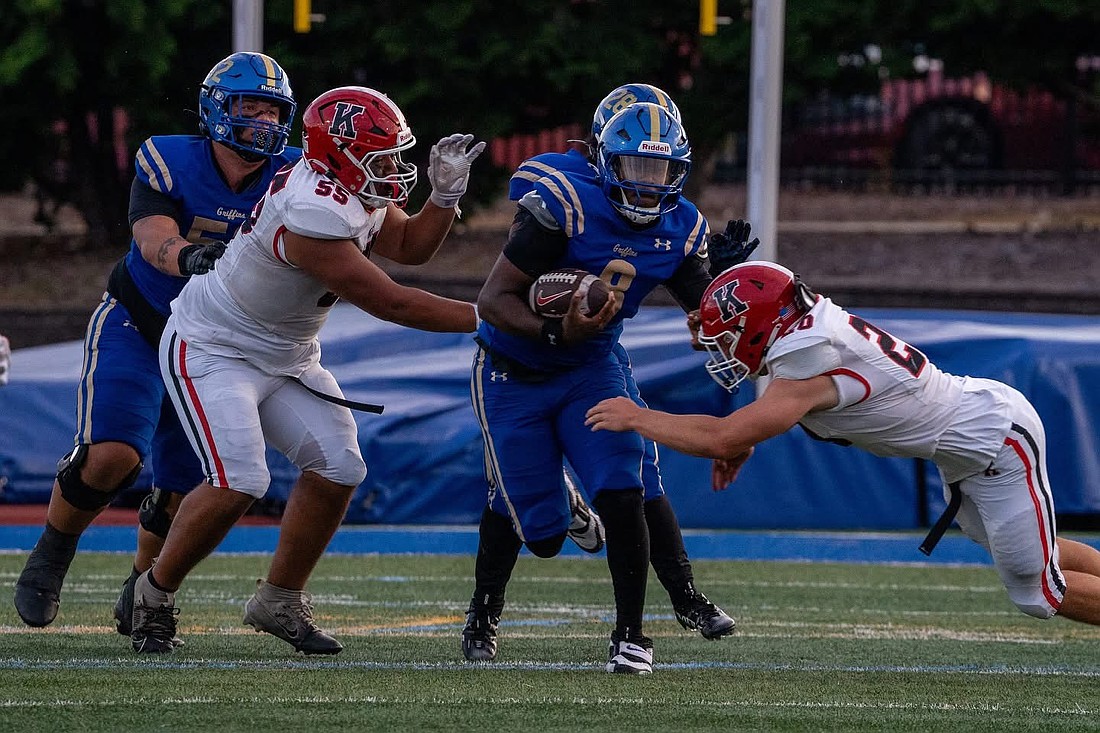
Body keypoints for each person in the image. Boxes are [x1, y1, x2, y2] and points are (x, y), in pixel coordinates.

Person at [128, 85, 485, 655]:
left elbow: (412, 247)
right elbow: (393, 302)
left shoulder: (346, 184)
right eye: (381, 156)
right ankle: (152, 593)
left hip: (287, 354)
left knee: (340, 466)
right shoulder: (312, 210)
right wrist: (495, 319)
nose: (393, 169)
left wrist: (445, 198)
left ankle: (279, 599)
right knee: (238, 480)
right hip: (215, 346)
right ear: (341, 153)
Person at [586, 261, 1100, 627]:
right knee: (1035, 558)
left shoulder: (809, 352)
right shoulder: (804, 323)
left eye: (728, 338)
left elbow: (727, 432)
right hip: (972, 445)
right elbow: (772, 399)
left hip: (994, 441)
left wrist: (639, 416)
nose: (722, 351)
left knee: (1038, 591)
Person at [14, 52, 301, 632]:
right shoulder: (169, 158)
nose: (263, 121)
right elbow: (153, 238)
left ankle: (143, 592)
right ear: (217, 109)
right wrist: (191, 257)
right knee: (115, 455)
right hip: (142, 321)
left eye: (273, 109)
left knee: (185, 483)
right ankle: (55, 549)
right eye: (250, 106)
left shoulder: (295, 173)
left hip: (218, 344)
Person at [465, 101, 727, 675]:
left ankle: (632, 635)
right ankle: (485, 606)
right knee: (542, 534)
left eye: (660, 171)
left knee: (623, 480)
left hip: (592, 366)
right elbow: (492, 301)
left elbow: (706, 316)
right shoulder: (563, 203)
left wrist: (725, 293)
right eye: (635, 168)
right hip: (514, 369)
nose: (648, 184)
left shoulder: (680, 225)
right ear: (607, 160)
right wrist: (555, 330)